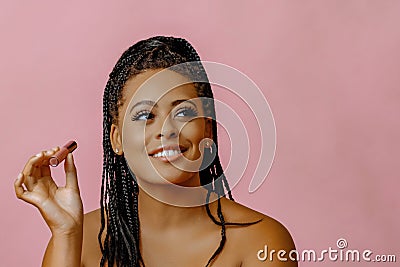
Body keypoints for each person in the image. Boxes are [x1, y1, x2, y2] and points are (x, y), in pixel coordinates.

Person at [14, 36, 297, 267]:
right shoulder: (80, 241)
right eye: (143, 115)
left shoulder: (262, 241)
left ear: (208, 129)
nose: (166, 129)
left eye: (183, 112)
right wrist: (66, 234)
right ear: (117, 139)